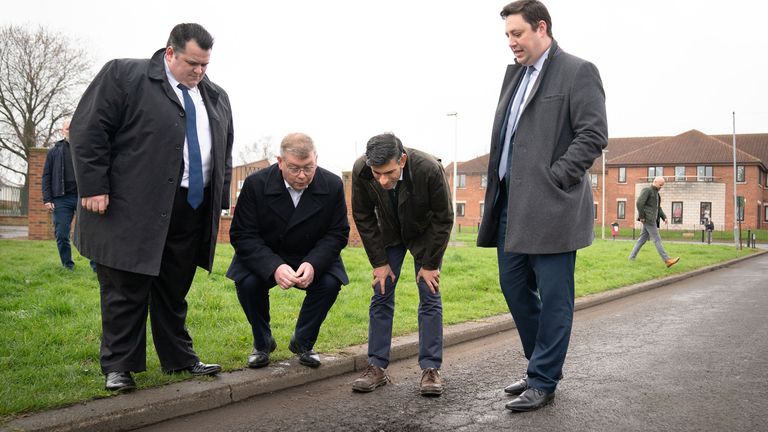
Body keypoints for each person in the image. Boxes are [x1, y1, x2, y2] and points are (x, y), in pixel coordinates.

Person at [69, 23, 234, 392]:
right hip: (132, 204)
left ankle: (179, 358)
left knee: (174, 286)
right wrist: (94, 185)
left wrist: (218, 202)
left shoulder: (216, 96)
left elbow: (223, 150)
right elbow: (89, 129)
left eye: (205, 65)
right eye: (192, 63)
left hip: (191, 205)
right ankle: (119, 366)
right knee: (125, 285)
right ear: (170, 52)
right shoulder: (125, 76)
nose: (199, 71)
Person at [476, 0, 608, 412]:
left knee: (554, 297)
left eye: (517, 34)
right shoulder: (514, 76)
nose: (511, 43)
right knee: (514, 287)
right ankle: (541, 364)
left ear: (541, 28)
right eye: (507, 36)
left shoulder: (578, 71)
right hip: (509, 206)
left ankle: (543, 379)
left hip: (552, 206)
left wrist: (557, 177)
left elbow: (593, 134)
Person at [227, 133, 349, 369]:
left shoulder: (333, 185)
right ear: (280, 161)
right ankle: (262, 343)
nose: (302, 175)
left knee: (331, 282)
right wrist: (274, 266)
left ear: (316, 159)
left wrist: (314, 263)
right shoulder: (256, 184)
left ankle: (304, 341)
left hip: (311, 253)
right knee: (247, 281)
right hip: (267, 253)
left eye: (308, 168)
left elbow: (337, 233)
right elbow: (242, 234)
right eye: (294, 168)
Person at [351, 133, 453, 396]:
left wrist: (430, 264)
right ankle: (376, 366)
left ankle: (431, 369)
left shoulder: (429, 168)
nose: (383, 180)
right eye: (377, 174)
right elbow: (363, 216)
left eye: (389, 173)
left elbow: (444, 217)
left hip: (425, 233)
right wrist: (379, 262)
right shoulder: (361, 170)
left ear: (403, 160)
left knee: (429, 293)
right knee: (381, 291)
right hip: (390, 234)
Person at [42, 120, 95, 271]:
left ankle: (96, 266)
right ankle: (68, 266)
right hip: (61, 199)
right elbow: (46, 176)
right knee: (62, 234)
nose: (70, 131)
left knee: (91, 232)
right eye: (67, 129)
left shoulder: (86, 149)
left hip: (83, 197)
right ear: (62, 131)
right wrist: (47, 198)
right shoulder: (54, 152)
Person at [630, 176, 680, 267]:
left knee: (642, 240)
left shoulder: (657, 194)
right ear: (655, 181)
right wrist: (642, 216)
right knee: (657, 239)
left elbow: (658, 208)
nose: (661, 187)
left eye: (662, 185)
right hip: (648, 219)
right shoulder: (647, 190)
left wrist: (664, 217)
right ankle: (667, 260)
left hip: (651, 219)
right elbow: (639, 203)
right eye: (660, 185)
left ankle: (631, 258)